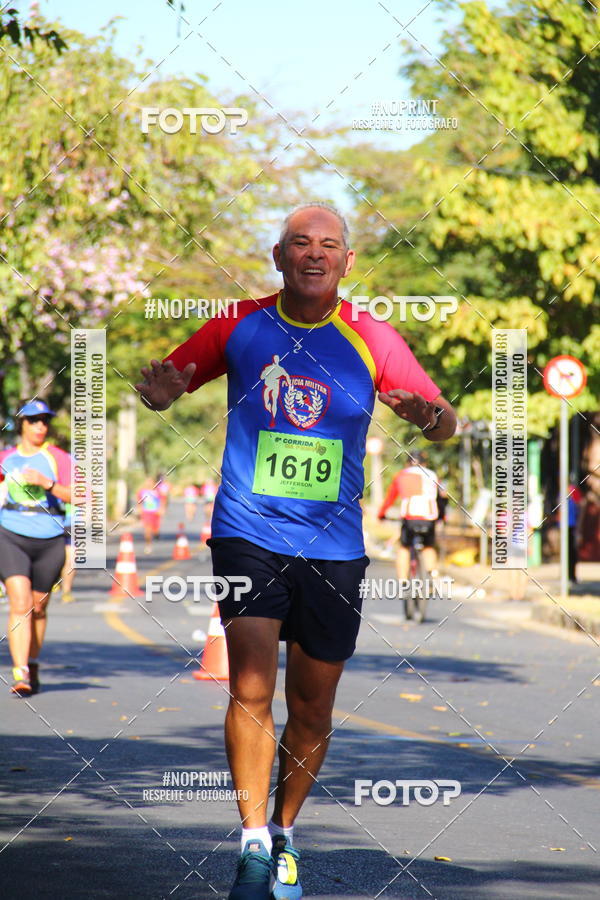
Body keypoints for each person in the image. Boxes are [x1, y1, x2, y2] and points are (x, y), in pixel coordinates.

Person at [135, 203, 457, 899]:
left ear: (347, 262)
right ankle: (252, 843)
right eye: (300, 244)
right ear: (278, 258)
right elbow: (175, 378)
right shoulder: (240, 323)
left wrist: (427, 415)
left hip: (335, 547)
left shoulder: (372, 335)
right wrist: (162, 394)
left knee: (312, 707)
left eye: (329, 246)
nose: (314, 254)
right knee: (251, 686)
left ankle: (283, 831)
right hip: (248, 532)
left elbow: (444, 420)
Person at [0, 400, 72, 696]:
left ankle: (32, 661)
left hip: (50, 538)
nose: (40, 426)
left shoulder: (58, 458)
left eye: (45, 420)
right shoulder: (6, 457)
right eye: (34, 421)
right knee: (20, 603)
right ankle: (21, 673)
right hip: (10, 534)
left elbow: (82, 496)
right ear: (22, 425)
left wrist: (48, 484)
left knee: (38, 607)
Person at [377, 451, 447, 582]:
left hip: (410, 518)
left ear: (406, 463)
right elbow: (441, 499)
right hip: (429, 518)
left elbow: (390, 499)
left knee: (404, 547)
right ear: (424, 463)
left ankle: (403, 579)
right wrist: (442, 518)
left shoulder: (401, 475)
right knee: (428, 547)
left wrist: (381, 514)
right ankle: (433, 574)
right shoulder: (433, 475)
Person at [137, 476, 161, 554]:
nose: (148, 483)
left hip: (155, 513)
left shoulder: (157, 491)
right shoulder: (142, 492)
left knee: (155, 530)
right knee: (147, 529)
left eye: (150, 481)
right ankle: (148, 545)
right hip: (146, 513)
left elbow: (162, 500)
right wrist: (139, 510)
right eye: (147, 481)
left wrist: (161, 509)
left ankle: (156, 534)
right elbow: (139, 501)